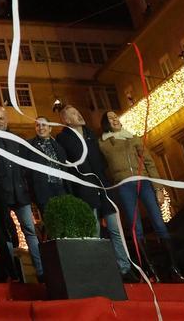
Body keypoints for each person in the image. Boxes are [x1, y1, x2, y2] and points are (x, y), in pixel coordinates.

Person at [99, 111, 183, 280]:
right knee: (136, 228)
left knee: (159, 223)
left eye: (116, 116)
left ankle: (174, 269)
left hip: (143, 182)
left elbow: (149, 162)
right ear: (106, 123)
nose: (115, 119)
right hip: (123, 186)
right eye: (111, 118)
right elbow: (102, 166)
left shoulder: (132, 137)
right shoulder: (103, 143)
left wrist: (158, 188)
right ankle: (149, 271)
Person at [54, 106, 133, 277]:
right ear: (66, 120)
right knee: (93, 232)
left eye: (78, 111)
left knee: (115, 229)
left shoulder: (91, 135)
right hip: (84, 189)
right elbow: (66, 167)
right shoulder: (63, 139)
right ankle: (99, 271)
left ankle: (124, 268)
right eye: (74, 113)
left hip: (103, 186)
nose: (79, 114)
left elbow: (102, 159)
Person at [0, 106, 44, 281]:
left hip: (20, 193)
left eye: (1, 118)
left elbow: (25, 165)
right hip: (1, 195)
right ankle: (12, 272)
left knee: (29, 231)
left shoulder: (16, 139)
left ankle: (40, 271)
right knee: (6, 234)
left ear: (6, 119)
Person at [27, 118, 70, 214]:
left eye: (44, 125)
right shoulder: (29, 146)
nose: (41, 128)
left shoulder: (59, 146)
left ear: (50, 128)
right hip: (43, 191)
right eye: (37, 125)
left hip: (61, 189)